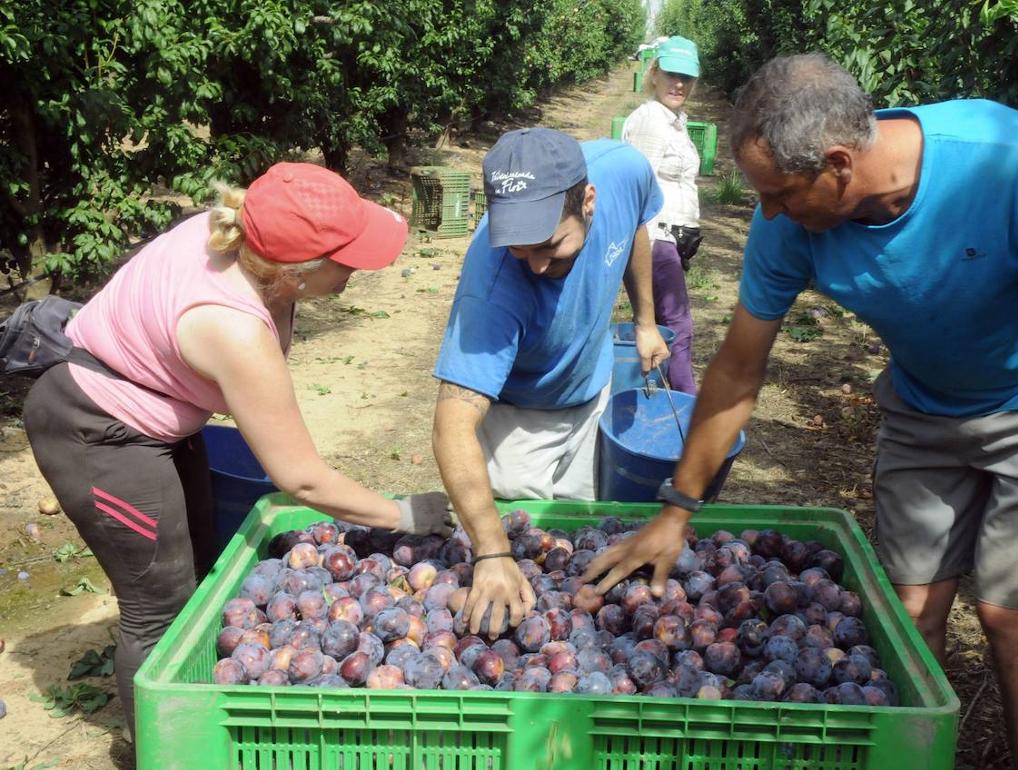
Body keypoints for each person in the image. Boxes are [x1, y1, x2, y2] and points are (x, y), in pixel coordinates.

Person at [584, 53, 1018, 769]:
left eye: (780, 194)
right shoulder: (791, 224)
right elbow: (736, 370)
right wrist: (676, 509)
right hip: (925, 403)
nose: (767, 213)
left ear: (839, 164)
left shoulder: (1008, 165)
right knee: (912, 612)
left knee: (1009, 615)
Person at [22, 162, 452, 738]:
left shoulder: (245, 235)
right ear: (297, 272)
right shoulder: (232, 327)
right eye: (346, 259)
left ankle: (194, 713)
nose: (358, 269)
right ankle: (157, 746)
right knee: (158, 611)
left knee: (198, 579)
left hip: (153, 417)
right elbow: (301, 479)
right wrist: (403, 516)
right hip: (95, 431)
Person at [431, 127, 668, 638]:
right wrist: (491, 553)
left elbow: (635, 230)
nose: (537, 264)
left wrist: (646, 320)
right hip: (520, 419)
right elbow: (452, 426)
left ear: (588, 201)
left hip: (591, 390)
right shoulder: (492, 288)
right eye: (520, 249)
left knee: (578, 531)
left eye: (550, 245)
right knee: (521, 545)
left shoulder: (623, 170)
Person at [622, 35, 704, 393]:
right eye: (671, 74)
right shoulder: (650, 122)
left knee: (660, 323)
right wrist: (648, 247)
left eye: (687, 77)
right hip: (656, 239)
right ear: (654, 73)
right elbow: (638, 188)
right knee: (678, 324)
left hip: (673, 240)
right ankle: (689, 408)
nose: (679, 84)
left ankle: (651, 397)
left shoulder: (674, 120)